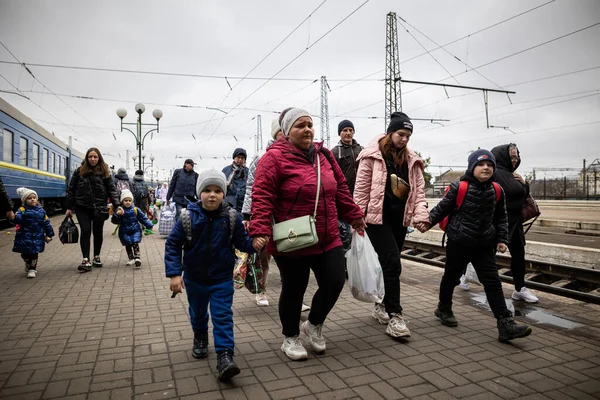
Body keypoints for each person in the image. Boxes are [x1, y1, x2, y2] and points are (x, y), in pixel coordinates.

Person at [250, 107, 365, 361]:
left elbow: (340, 189)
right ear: (287, 131)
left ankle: (313, 324)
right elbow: (262, 196)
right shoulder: (274, 158)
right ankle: (290, 337)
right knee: (294, 288)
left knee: (335, 281)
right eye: (300, 125)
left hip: (328, 234)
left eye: (310, 124)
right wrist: (258, 229)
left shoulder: (323, 155)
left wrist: (354, 215)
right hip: (293, 237)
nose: (307, 129)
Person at [165, 170, 266, 381]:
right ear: (199, 192)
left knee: (222, 315)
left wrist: (254, 244)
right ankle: (200, 337)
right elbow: (173, 245)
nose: (212, 195)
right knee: (198, 313)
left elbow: (241, 242)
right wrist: (175, 274)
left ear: (224, 193)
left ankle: (225, 356)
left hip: (221, 278)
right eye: (207, 190)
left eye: (218, 191)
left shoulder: (231, 216)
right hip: (194, 278)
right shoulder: (187, 216)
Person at [425, 149, 532, 342]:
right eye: (481, 164)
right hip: (459, 242)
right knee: (451, 277)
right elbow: (441, 209)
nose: (486, 168)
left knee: (492, 282)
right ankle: (444, 308)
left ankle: (505, 324)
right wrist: (426, 222)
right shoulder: (460, 187)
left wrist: (501, 239)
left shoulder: (497, 190)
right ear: (472, 167)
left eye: (490, 165)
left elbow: (501, 217)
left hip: (484, 244)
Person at [353, 111, 429, 338]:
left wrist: (421, 216)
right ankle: (395, 316)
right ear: (390, 132)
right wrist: (356, 217)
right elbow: (361, 188)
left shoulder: (412, 160)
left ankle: (381, 306)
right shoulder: (372, 156)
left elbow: (419, 192)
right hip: (376, 219)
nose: (404, 139)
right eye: (400, 134)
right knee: (393, 262)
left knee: (389, 264)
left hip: (399, 220)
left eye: (408, 135)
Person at [242, 120, 284, 307]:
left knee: (290, 257)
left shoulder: (299, 155)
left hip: (288, 215)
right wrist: (247, 215)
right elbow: (251, 187)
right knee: (264, 255)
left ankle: (293, 297)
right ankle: (261, 290)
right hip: (267, 214)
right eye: (282, 131)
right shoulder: (262, 157)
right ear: (275, 134)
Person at [491, 144, 539, 303]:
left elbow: (522, 195)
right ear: (502, 156)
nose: (514, 160)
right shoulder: (493, 173)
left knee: (519, 255)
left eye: (516, 157)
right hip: (495, 223)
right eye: (511, 156)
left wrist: (524, 184)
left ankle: (520, 289)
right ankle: (466, 276)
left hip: (515, 222)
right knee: (484, 255)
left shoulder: (513, 175)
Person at [66, 147, 121, 272]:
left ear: (99, 158)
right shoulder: (79, 171)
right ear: (86, 158)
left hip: (99, 207)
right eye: (90, 157)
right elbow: (71, 189)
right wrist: (69, 207)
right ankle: (86, 259)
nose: (92, 159)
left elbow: (112, 190)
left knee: (97, 232)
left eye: (95, 157)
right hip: (82, 207)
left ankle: (96, 256)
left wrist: (117, 206)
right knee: (85, 231)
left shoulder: (105, 172)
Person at [332, 119, 364, 254]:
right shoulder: (334, 152)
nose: (348, 133)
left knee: (360, 230)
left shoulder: (361, 150)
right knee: (345, 232)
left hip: (360, 195)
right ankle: (346, 262)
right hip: (344, 198)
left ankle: (359, 258)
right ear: (340, 133)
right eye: (345, 130)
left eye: (350, 130)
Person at [10, 187, 54, 278]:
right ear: (24, 200)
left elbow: (46, 222)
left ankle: (32, 269)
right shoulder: (21, 210)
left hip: (37, 236)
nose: (32, 199)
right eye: (29, 198)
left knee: (35, 253)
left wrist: (50, 233)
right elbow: (18, 219)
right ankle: (28, 262)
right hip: (25, 236)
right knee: (24, 254)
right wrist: (14, 217)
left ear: (37, 199)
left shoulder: (41, 211)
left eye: (34, 197)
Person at [111, 189, 154, 268]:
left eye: (129, 200)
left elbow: (143, 218)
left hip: (135, 230)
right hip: (124, 231)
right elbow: (114, 221)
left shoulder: (136, 209)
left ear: (132, 201)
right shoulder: (120, 210)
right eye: (125, 200)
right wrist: (117, 214)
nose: (128, 202)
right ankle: (131, 258)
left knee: (135, 242)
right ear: (122, 201)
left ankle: (137, 257)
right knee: (128, 244)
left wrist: (149, 225)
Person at [222, 148, 249, 213]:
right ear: (234, 158)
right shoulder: (226, 170)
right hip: (228, 203)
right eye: (238, 157)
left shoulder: (248, 171)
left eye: (242, 158)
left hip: (243, 204)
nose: (240, 160)